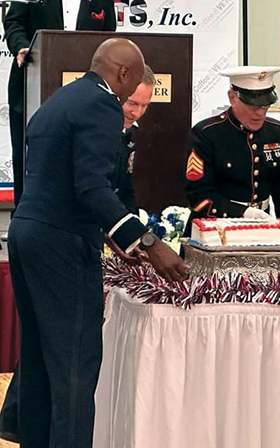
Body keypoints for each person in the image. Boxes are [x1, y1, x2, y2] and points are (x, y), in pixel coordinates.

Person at [6, 38, 189, 448]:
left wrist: (115, 234)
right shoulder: (101, 104)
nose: (135, 96)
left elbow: (64, 181)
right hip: (60, 240)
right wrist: (148, 242)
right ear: (124, 74)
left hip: (27, 232)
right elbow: (91, 187)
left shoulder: (60, 100)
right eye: (137, 83)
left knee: (39, 360)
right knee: (75, 364)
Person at [1, 0, 116, 242]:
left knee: (81, 161)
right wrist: (21, 46)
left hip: (84, 96)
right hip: (31, 86)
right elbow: (13, 22)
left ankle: (76, 227)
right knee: (28, 159)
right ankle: (24, 228)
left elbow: (110, 36)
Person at [182, 66, 280, 238]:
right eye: (252, 106)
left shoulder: (277, 132)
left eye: (265, 106)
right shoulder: (207, 134)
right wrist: (243, 213)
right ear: (232, 98)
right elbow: (198, 195)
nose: (259, 113)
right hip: (215, 229)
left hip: (263, 229)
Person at [116, 63, 156, 214]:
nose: (137, 113)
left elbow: (125, 187)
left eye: (144, 105)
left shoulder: (131, 132)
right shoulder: (91, 131)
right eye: (131, 103)